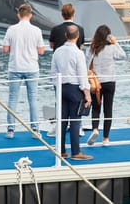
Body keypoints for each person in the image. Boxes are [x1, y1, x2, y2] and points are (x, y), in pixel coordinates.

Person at [2, 3, 45, 139]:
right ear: (30, 15)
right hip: (32, 67)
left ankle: (10, 129)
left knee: (12, 98)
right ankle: (35, 129)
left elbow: (5, 49)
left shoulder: (11, 29)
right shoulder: (37, 30)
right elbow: (41, 51)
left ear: (18, 15)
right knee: (33, 98)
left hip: (15, 67)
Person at [51, 25, 93, 160]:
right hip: (75, 88)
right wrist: (87, 94)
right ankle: (76, 152)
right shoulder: (78, 53)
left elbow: (53, 72)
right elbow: (82, 75)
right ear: (77, 36)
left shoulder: (57, 51)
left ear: (65, 36)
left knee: (62, 120)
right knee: (75, 121)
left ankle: (61, 150)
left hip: (61, 87)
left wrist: (56, 87)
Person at [48, 2, 86, 137]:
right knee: (77, 103)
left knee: (59, 101)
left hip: (59, 69)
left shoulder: (55, 29)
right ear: (73, 14)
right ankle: (78, 127)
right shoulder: (79, 29)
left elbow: (51, 44)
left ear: (62, 14)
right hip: (74, 72)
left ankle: (59, 127)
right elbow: (81, 46)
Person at [85, 25, 126, 147]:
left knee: (96, 108)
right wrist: (116, 43)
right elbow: (123, 55)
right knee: (108, 110)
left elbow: (86, 64)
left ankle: (95, 129)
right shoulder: (112, 48)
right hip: (110, 81)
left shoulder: (92, 49)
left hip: (96, 82)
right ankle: (105, 138)